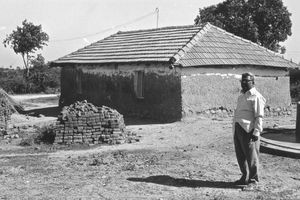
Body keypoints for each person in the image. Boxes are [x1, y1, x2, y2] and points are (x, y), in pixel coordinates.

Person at [233, 72, 266, 188]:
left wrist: (257, 131)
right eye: (242, 81)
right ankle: (244, 176)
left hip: (249, 130)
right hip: (238, 128)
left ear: (253, 82)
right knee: (241, 155)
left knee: (252, 156)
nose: (244, 83)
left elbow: (259, 116)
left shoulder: (256, 96)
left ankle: (253, 180)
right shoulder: (242, 95)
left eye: (246, 81)